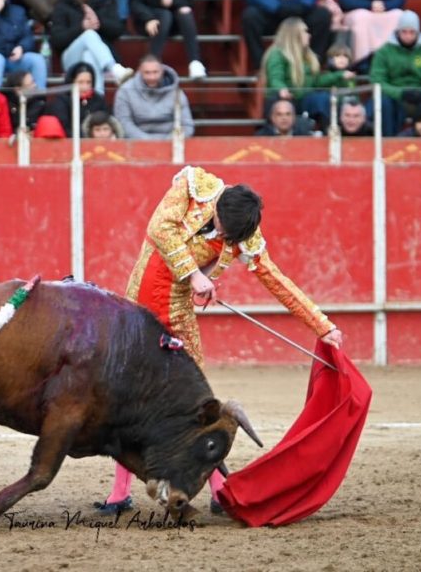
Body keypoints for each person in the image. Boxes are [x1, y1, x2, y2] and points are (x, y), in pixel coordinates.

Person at [95, 165, 343, 514]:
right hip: (140, 304)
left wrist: (323, 326)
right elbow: (159, 230)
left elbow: (278, 281)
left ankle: (219, 490)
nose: (225, 239)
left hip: (180, 311)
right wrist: (197, 275)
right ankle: (119, 493)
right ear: (217, 208)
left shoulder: (245, 235)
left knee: (198, 403)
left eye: (231, 238)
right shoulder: (194, 187)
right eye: (223, 231)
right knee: (130, 396)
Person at [49, 0, 131, 96]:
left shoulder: (103, 3)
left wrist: (99, 23)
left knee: (89, 55)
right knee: (89, 34)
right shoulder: (61, 7)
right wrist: (82, 28)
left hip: (98, 59)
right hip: (70, 58)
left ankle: (97, 99)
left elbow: (118, 30)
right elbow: (57, 41)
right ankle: (115, 69)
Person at [262, 16, 353, 130]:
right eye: (305, 32)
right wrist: (282, 89)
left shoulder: (308, 56)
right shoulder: (277, 53)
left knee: (329, 98)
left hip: (305, 98)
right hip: (287, 99)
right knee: (321, 100)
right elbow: (275, 78)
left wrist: (339, 75)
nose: (309, 35)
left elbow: (316, 81)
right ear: (294, 35)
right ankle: (330, 130)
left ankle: (335, 130)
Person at [114, 55, 194, 139]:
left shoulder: (177, 93)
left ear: (162, 71)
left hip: (171, 143)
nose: (152, 77)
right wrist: (148, 142)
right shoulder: (125, 91)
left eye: (155, 72)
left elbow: (187, 126)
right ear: (140, 71)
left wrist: (166, 142)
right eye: (147, 72)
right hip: (135, 143)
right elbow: (123, 123)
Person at [43, 63, 110, 137]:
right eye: (80, 82)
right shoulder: (61, 101)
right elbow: (64, 128)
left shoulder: (98, 99)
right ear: (72, 82)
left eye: (88, 82)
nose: (85, 87)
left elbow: (107, 121)